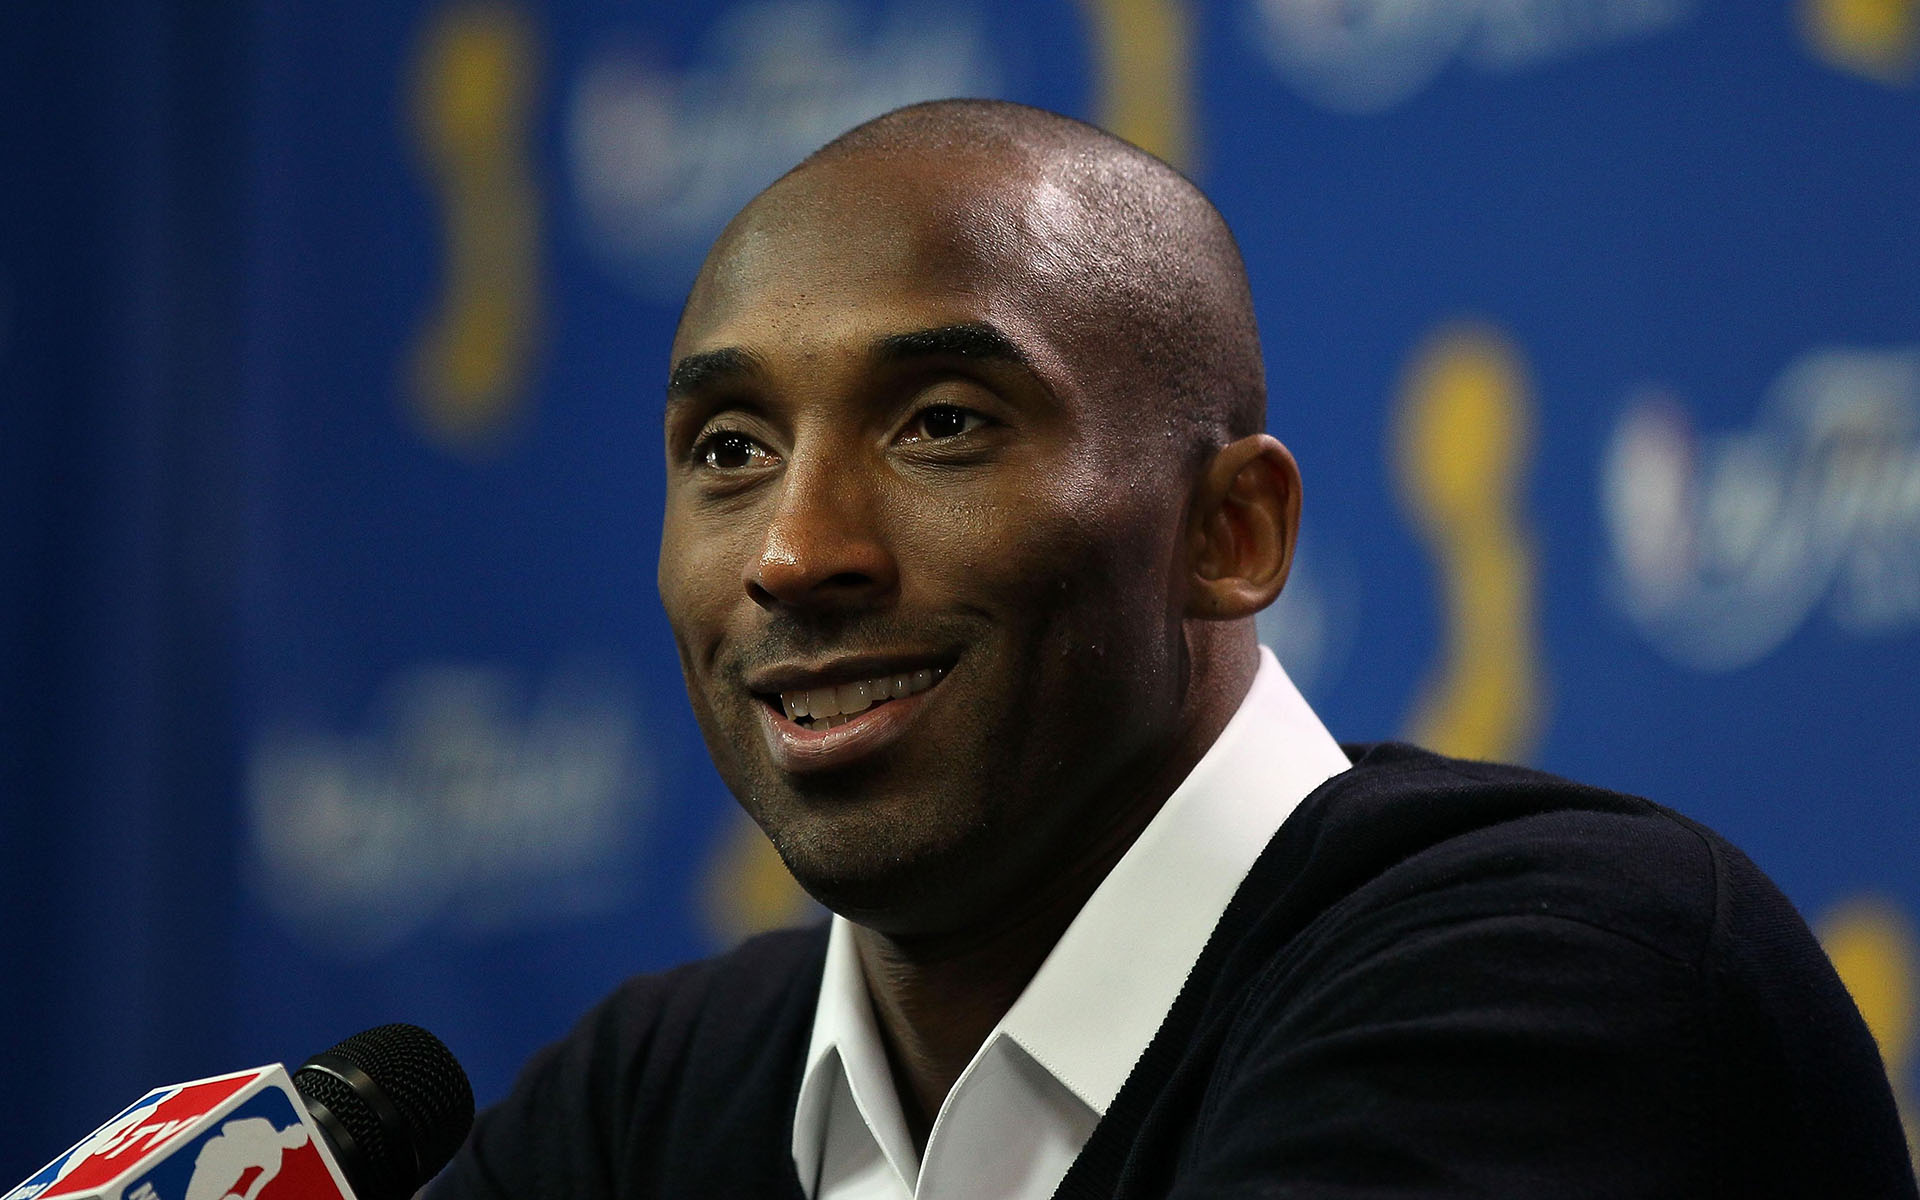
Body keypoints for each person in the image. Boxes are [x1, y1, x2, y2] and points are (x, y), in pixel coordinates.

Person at [429, 100, 1916, 1199]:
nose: (794, 552)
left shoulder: (1557, 974)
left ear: (1231, 531)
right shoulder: (639, 1104)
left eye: (941, 424)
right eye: (729, 448)